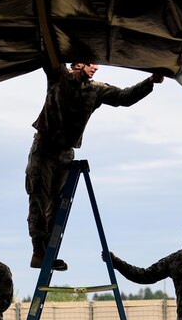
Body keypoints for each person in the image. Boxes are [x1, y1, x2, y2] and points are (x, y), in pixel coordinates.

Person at [26, 61, 164, 271]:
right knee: (39, 198)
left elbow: (123, 98)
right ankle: (39, 252)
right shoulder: (59, 75)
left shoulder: (95, 90)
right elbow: (49, 53)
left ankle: (49, 254)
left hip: (65, 153)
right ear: (78, 63)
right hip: (44, 148)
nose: (96, 67)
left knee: (57, 205)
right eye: (91, 63)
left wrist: (150, 82)